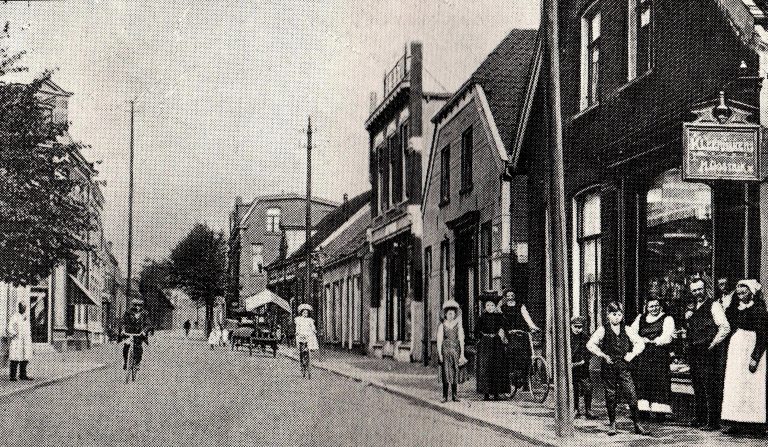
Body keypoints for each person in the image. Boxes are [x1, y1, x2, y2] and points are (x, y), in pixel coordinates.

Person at [587, 301, 648, 436]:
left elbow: (640, 343)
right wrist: (603, 355)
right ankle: (612, 424)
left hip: (624, 366)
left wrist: (631, 355)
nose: (617, 317)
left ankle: (637, 424)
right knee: (610, 395)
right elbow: (590, 344)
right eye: (614, 314)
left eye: (619, 314)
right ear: (608, 315)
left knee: (631, 393)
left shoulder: (627, 329)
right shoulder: (603, 329)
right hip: (608, 367)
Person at [720, 280, 767, 437]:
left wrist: (755, 356)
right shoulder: (735, 308)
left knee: (752, 385)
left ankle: (754, 424)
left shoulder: (759, 309)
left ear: (751, 292)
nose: (740, 296)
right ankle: (736, 421)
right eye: (738, 293)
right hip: (737, 350)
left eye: (743, 292)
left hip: (750, 346)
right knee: (736, 384)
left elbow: (763, 334)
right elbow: (728, 322)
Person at [685, 277, 730, 430]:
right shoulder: (692, 307)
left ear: (706, 289)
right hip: (694, 350)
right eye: (694, 290)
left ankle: (713, 421)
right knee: (697, 384)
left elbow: (725, 327)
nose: (697, 292)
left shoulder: (714, 305)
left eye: (700, 289)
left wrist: (713, 343)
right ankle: (700, 417)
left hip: (708, 351)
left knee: (710, 386)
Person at [630, 297, 675, 421]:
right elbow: (632, 333)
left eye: (656, 306)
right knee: (642, 381)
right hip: (643, 355)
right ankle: (643, 411)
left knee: (659, 381)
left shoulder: (667, 318)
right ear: (646, 307)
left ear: (660, 306)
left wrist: (654, 341)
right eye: (651, 306)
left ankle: (660, 412)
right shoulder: (640, 318)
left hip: (659, 354)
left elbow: (668, 336)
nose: (654, 308)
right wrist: (640, 340)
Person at [498, 290, 540, 389]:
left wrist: (533, 327)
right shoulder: (502, 308)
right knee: (512, 356)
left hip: (521, 333)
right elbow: (500, 322)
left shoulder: (521, 306)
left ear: (515, 296)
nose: (510, 297)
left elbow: (527, 318)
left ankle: (526, 381)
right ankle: (514, 379)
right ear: (505, 297)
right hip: (509, 334)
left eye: (512, 295)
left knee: (526, 356)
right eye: (508, 296)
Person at [475, 297, 509, 401]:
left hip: (497, 344)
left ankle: (496, 393)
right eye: (488, 305)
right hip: (485, 344)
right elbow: (477, 330)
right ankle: (486, 393)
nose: (490, 308)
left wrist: (502, 332)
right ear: (485, 307)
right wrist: (481, 336)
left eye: (492, 305)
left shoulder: (500, 317)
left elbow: (505, 327)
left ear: (495, 307)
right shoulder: (482, 317)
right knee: (486, 368)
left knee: (497, 367)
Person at [437, 300, 466, 403]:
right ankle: (445, 395)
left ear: (455, 315)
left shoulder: (458, 326)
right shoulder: (442, 326)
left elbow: (461, 339)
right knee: (446, 372)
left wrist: (462, 354)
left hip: (455, 351)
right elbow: (439, 340)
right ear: (445, 314)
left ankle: (454, 395)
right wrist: (440, 353)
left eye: (452, 314)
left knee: (455, 372)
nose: (450, 315)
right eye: (448, 313)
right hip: (445, 351)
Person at [570, 316, 594, 419]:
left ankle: (588, 410)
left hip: (583, 367)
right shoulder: (567, 338)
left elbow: (590, 350)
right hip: (571, 367)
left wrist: (584, 360)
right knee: (574, 389)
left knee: (588, 387)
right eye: (576, 326)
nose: (578, 329)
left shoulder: (585, 337)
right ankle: (576, 409)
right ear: (571, 326)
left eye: (580, 327)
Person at [7, 302, 33, 381]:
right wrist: (14, 333)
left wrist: (29, 339)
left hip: (25, 340)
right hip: (17, 340)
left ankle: (23, 375)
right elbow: (9, 327)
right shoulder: (15, 316)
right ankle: (12, 376)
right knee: (15, 358)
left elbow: (28, 329)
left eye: (24, 307)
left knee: (25, 358)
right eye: (22, 307)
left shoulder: (26, 317)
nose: (23, 309)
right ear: (19, 308)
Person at [121, 298, 149, 370]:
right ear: (133, 305)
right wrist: (123, 330)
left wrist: (144, 331)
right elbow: (123, 322)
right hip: (129, 333)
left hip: (139, 333)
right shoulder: (128, 312)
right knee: (126, 346)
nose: (137, 307)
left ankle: (137, 363)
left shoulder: (144, 313)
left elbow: (148, 324)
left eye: (139, 305)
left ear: (141, 306)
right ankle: (126, 361)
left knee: (138, 347)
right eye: (135, 305)